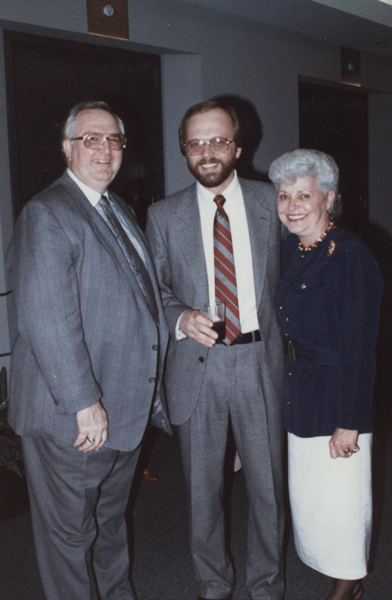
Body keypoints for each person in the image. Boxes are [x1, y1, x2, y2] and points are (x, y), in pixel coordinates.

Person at [6, 100, 171, 600]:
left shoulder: (116, 208)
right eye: (90, 139)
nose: (105, 150)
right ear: (66, 148)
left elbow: (139, 298)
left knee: (109, 523)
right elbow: (46, 317)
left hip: (120, 409)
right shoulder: (48, 212)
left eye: (113, 140)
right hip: (74, 420)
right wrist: (84, 403)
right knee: (70, 541)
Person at [146, 99, 285, 600]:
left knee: (268, 489)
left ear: (238, 147)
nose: (208, 152)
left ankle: (267, 586)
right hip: (196, 367)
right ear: (184, 150)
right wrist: (179, 316)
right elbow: (152, 290)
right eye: (196, 143)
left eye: (218, 141)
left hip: (261, 364)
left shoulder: (274, 202)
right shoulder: (162, 215)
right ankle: (213, 586)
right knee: (203, 494)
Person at [268, 149, 383, 600]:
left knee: (345, 502)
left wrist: (350, 420)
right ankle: (342, 579)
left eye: (304, 195)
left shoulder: (351, 255)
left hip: (338, 394)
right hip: (301, 390)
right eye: (283, 195)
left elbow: (360, 347)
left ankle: (347, 586)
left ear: (328, 198)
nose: (292, 205)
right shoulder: (290, 249)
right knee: (316, 501)